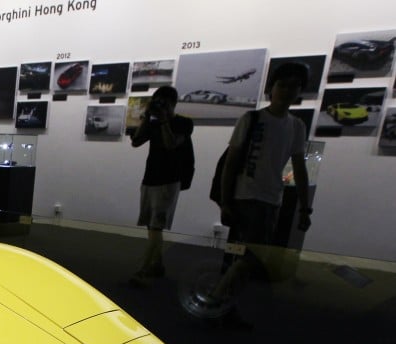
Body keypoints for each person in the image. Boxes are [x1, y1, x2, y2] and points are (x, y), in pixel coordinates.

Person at [204, 61, 312, 328]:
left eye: (294, 87)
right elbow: (231, 162)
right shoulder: (252, 120)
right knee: (251, 256)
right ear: (271, 88)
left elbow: (299, 167)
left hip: (271, 199)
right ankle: (216, 298)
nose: (287, 91)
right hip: (246, 198)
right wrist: (226, 201)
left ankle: (225, 304)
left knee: (247, 258)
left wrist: (305, 207)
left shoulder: (296, 126)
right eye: (282, 85)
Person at [128, 85, 194, 287]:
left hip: (169, 179)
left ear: (173, 104)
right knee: (151, 225)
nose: (160, 106)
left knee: (156, 225)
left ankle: (144, 269)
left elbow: (171, 144)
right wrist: (148, 118)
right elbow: (136, 141)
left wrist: (165, 120)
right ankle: (158, 265)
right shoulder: (153, 122)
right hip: (150, 177)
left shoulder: (183, 123)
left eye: (163, 102)